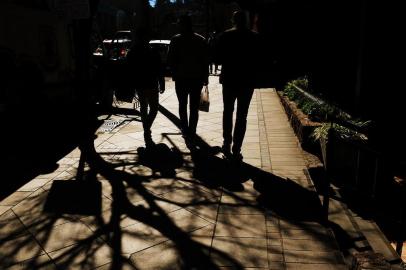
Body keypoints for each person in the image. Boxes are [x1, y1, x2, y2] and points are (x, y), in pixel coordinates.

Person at [216, 10, 260, 162]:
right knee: (242, 115)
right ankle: (237, 148)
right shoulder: (254, 37)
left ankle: (226, 143)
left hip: (229, 79)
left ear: (233, 20)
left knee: (227, 111)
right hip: (247, 80)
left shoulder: (225, 36)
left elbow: (218, 58)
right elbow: (258, 60)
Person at [167, 14, 209, 146]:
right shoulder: (200, 40)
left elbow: (170, 60)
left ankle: (185, 129)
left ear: (182, 25)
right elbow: (205, 61)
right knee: (194, 107)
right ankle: (192, 130)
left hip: (181, 78)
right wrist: (205, 77)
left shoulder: (175, 40)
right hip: (196, 78)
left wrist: (174, 71)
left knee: (182, 105)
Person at [127, 28, 165, 148]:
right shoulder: (152, 51)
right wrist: (161, 82)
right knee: (153, 108)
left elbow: (129, 69)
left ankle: (146, 128)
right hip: (151, 83)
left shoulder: (132, 52)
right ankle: (147, 128)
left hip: (140, 83)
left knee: (144, 107)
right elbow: (159, 69)